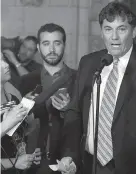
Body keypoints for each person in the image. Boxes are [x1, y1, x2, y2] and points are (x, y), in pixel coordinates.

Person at [60, 2, 136, 174]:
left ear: (134, 32)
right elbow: (74, 111)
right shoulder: (89, 63)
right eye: (108, 29)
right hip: (91, 165)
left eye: (121, 29)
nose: (114, 37)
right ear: (102, 32)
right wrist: (70, 154)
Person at [28, 23, 77, 174]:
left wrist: (69, 109)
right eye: (46, 43)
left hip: (67, 161)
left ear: (64, 45)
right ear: (38, 47)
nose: (52, 49)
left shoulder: (79, 79)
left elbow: (87, 122)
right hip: (31, 163)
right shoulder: (24, 82)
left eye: (57, 43)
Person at [1, 53, 41, 173]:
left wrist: (30, 154)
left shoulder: (13, 96)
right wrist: (14, 162)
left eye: (3, 59)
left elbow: (21, 133)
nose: (6, 65)